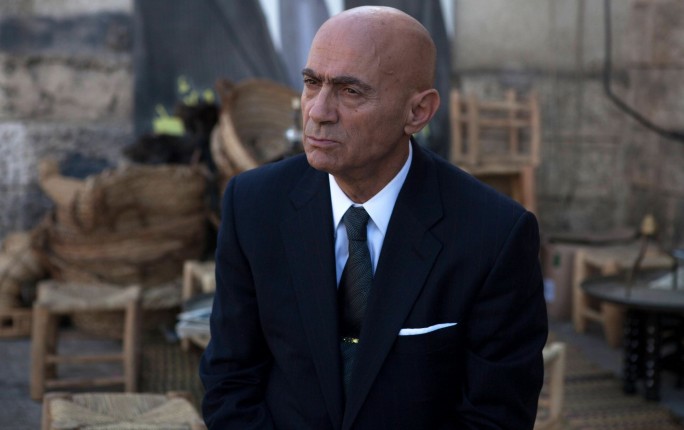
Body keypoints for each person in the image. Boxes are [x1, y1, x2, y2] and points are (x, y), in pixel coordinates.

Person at [200, 6, 548, 430]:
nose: (318, 112)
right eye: (312, 83)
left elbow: (496, 416)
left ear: (417, 112)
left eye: (350, 91)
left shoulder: (493, 235)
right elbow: (230, 378)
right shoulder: (254, 205)